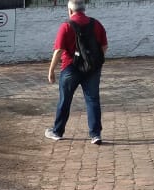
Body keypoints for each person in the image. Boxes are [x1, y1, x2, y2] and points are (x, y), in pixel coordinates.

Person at [46, 0, 108, 144]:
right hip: (92, 69)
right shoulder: (96, 24)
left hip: (71, 68)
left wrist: (51, 71)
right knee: (92, 100)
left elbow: (59, 50)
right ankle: (95, 135)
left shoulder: (66, 26)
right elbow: (104, 46)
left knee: (65, 100)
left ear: (70, 10)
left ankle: (57, 132)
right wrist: (94, 61)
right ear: (84, 9)